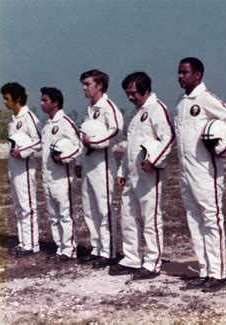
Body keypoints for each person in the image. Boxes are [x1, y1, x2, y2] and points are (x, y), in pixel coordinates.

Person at [174, 57, 226, 292]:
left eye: (185, 73)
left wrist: (223, 147)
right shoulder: (181, 103)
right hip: (186, 170)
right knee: (194, 220)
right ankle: (205, 270)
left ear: (198, 75)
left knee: (211, 220)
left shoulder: (206, 99)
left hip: (206, 171)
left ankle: (218, 273)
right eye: (179, 73)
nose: (180, 76)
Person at [109, 72, 174, 280]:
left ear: (146, 90)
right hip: (133, 175)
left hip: (150, 174)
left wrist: (153, 160)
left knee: (150, 218)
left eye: (133, 93)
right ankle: (131, 258)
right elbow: (131, 148)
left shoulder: (157, 109)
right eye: (127, 93)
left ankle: (153, 262)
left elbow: (168, 138)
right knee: (128, 216)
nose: (129, 97)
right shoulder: (137, 114)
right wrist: (122, 171)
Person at [75, 69, 124, 269]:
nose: (84, 88)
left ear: (100, 85)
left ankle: (109, 251)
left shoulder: (108, 107)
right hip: (88, 163)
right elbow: (83, 135)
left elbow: (115, 132)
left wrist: (93, 141)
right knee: (89, 208)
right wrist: (79, 161)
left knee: (104, 208)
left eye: (88, 84)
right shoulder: (90, 108)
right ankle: (96, 248)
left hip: (103, 164)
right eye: (83, 84)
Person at [40, 87, 81, 262]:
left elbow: (79, 146)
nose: (41, 103)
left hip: (62, 178)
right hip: (48, 177)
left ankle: (70, 250)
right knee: (54, 216)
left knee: (66, 215)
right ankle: (60, 248)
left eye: (45, 100)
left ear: (55, 102)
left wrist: (64, 158)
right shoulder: (46, 126)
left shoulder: (65, 122)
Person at [1, 82, 41, 256]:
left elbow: (38, 142)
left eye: (7, 98)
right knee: (18, 207)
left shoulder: (29, 117)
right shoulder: (13, 120)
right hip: (15, 169)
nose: (4, 102)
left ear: (17, 98)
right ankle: (23, 242)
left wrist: (22, 151)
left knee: (27, 207)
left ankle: (32, 245)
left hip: (25, 169)